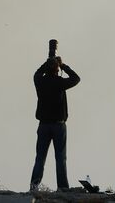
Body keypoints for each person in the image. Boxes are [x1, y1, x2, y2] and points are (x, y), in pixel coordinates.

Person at [30, 56, 80, 191]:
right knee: (60, 158)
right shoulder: (60, 82)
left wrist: (47, 63)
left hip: (43, 125)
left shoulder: (40, 81)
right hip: (58, 125)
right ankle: (63, 187)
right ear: (57, 70)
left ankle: (34, 186)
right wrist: (63, 65)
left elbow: (37, 73)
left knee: (40, 158)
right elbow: (76, 78)